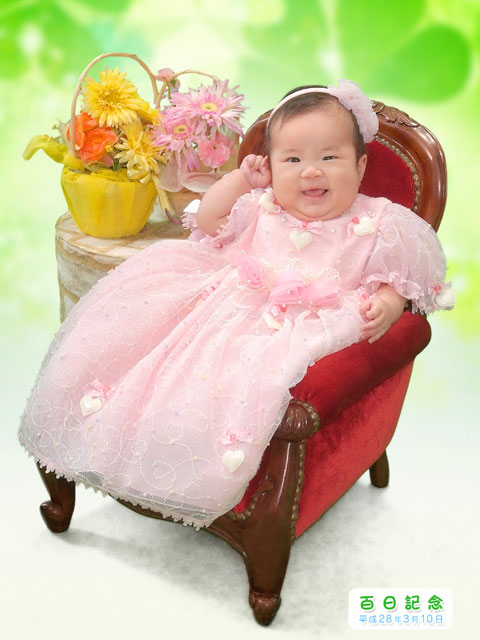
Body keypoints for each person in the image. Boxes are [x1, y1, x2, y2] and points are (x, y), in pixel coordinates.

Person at [18, 79, 455, 531]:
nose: (311, 172)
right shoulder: (261, 204)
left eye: (330, 158)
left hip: (308, 325)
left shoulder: (378, 221)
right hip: (229, 308)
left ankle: (213, 468)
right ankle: (145, 443)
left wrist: (388, 302)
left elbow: (396, 277)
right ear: (272, 166)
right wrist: (243, 179)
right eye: (293, 160)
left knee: (249, 376)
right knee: (162, 360)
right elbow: (209, 220)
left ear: (360, 166)